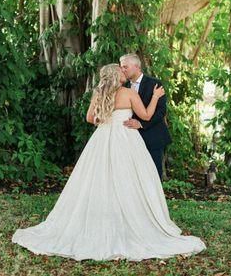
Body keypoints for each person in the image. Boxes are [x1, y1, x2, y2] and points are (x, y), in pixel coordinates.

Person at [12, 64, 206, 261]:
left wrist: (107, 121)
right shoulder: (128, 93)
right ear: (117, 75)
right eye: (121, 71)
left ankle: (103, 220)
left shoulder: (99, 92)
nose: (124, 72)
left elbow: (90, 118)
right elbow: (146, 116)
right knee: (129, 179)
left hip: (103, 137)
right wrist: (155, 98)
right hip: (127, 138)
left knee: (98, 179)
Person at [120, 53, 171, 181]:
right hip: (129, 138)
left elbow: (161, 111)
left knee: (153, 174)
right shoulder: (122, 87)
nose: (122, 70)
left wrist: (141, 124)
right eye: (122, 67)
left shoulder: (154, 83)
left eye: (125, 67)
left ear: (137, 66)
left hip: (152, 136)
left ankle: (155, 201)